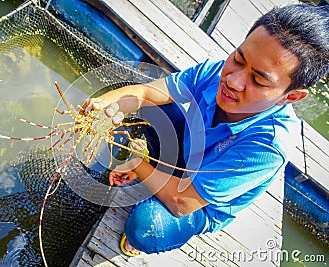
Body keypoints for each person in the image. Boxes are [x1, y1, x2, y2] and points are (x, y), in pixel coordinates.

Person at [82, 4, 329, 256]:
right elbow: (147, 93)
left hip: (198, 203)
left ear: (291, 96)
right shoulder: (214, 71)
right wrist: (108, 104)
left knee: (147, 227)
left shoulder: (268, 146)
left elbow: (182, 203)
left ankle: (151, 227)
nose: (232, 81)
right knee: (154, 106)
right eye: (238, 59)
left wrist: (138, 165)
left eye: (258, 80)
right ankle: (161, 173)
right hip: (189, 155)